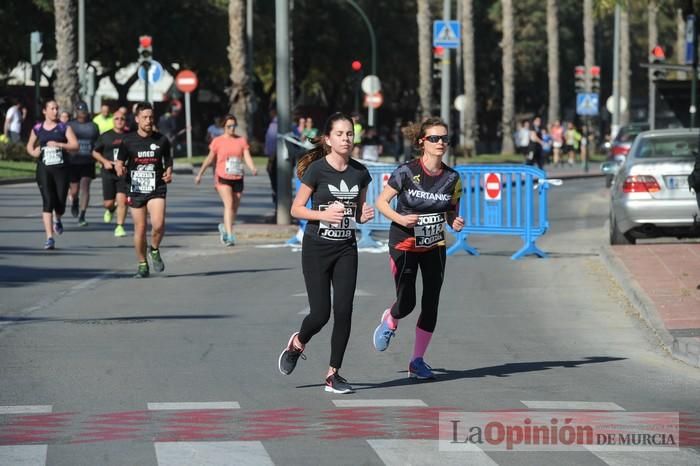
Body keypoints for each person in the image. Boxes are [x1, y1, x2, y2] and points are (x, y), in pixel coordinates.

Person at [278, 112, 374, 394]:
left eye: (349, 134)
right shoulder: (317, 170)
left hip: (346, 248)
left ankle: (334, 374)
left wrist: (362, 214)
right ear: (329, 139)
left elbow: (357, 211)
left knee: (344, 310)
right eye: (340, 134)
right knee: (320, 314)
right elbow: (297, 209)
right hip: (317, 247)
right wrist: (323, 215)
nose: (346, 139)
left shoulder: (360, 173)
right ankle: (298, 343)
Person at [372, 117, 464, 380]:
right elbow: (381, 202)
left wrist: (455, 222)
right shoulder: (405, 171)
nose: (441, 143)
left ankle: (417, 360)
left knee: (431, 302)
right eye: (434, 138)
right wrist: (401, 218)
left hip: (434, 244)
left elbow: (450, 213)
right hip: (404, 242)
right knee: (407, 302)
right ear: (422, 142)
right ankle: (391, 318)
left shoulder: (453, 178)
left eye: (445, 138)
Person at [115, 102, 172, 278]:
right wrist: (120, 168)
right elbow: (119, 161)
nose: (148, 120)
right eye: (145, 117)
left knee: (158, 224)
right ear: (138, 119)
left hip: (156, 187)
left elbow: (168, 161)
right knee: (140, 228)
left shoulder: (161, 140)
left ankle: (154, 249)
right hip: (136, 188)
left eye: (151, 117)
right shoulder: (127, 140)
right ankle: (142, 264)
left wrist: (168, 172)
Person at [194, 114, 257, 246]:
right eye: (229, 126)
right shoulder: (217, 141)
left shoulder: (241, 140)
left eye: (234, 126)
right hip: (222, 176)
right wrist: (200, 174)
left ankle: (225, 226)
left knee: (235, 206)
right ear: (224, 127)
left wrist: (252, 168)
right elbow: (210, 159)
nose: (232, 128)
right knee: (228, 204)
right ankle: (229, 235)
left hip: (238, 176)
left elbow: (247, 156)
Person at [25, 100, 79, 249]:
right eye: (52, 108)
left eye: (57, 108)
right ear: (45, 111)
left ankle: (58, 218)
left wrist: (60, 144)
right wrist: (33, 151)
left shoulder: (64, 128)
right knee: (48, 201)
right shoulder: (37, 128)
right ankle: (49, 237)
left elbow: (75, 145)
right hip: (44, 169)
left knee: (60, 201)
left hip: (61, 169)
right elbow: (29, 145)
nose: (55, 111)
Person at [92, 109, 129, 237]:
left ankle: (120, 226)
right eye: (116, 119)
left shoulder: (130, 136)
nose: (119, 121)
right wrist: (105, 161)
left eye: (122, 119)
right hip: (108, 172)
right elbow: (95, 152)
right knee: (108, 202)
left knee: (122, 200)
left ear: (125, 121)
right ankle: (110, 209)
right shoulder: (106, 136)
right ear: (113, 121)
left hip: (123, 173)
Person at [67, 101, 100, 227]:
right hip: (73, 162)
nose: (82, 114)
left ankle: (82, 215)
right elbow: (64, 140)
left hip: (88, 161)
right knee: (74, 190)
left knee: (85, 186)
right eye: (80, 111)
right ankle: (75, 201)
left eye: (84, 111)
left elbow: (98, 143)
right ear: (76, 112)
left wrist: (98, 157)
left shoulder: (93, 126)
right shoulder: (70, 125)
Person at [264, 108, 278, 204]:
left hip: (275, 157)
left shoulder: (274, 125)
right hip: (274, 157)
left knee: (276, 183)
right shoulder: (272, 124)